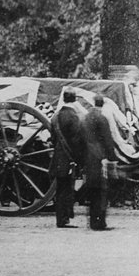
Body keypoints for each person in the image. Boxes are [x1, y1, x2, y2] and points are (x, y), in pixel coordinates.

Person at [50, 89, 87, 228]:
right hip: (69, 158)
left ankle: (61, 219)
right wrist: (80, 159)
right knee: (67, 190)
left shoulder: (56, 116)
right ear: (75, 99)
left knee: (60, 189)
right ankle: (64, 220)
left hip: (58, 157)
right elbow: (77, 140)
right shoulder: (73, 116)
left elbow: (53, 137)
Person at [81, 93, 118, 230]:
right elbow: (108, 140)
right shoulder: (101, 118)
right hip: (100, 157)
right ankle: (100, 223)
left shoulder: (85, 118)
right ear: (102, 105)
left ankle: (92, 221)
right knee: (101, 191)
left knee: (92, 190)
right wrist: (112, 157)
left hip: (88, 157)